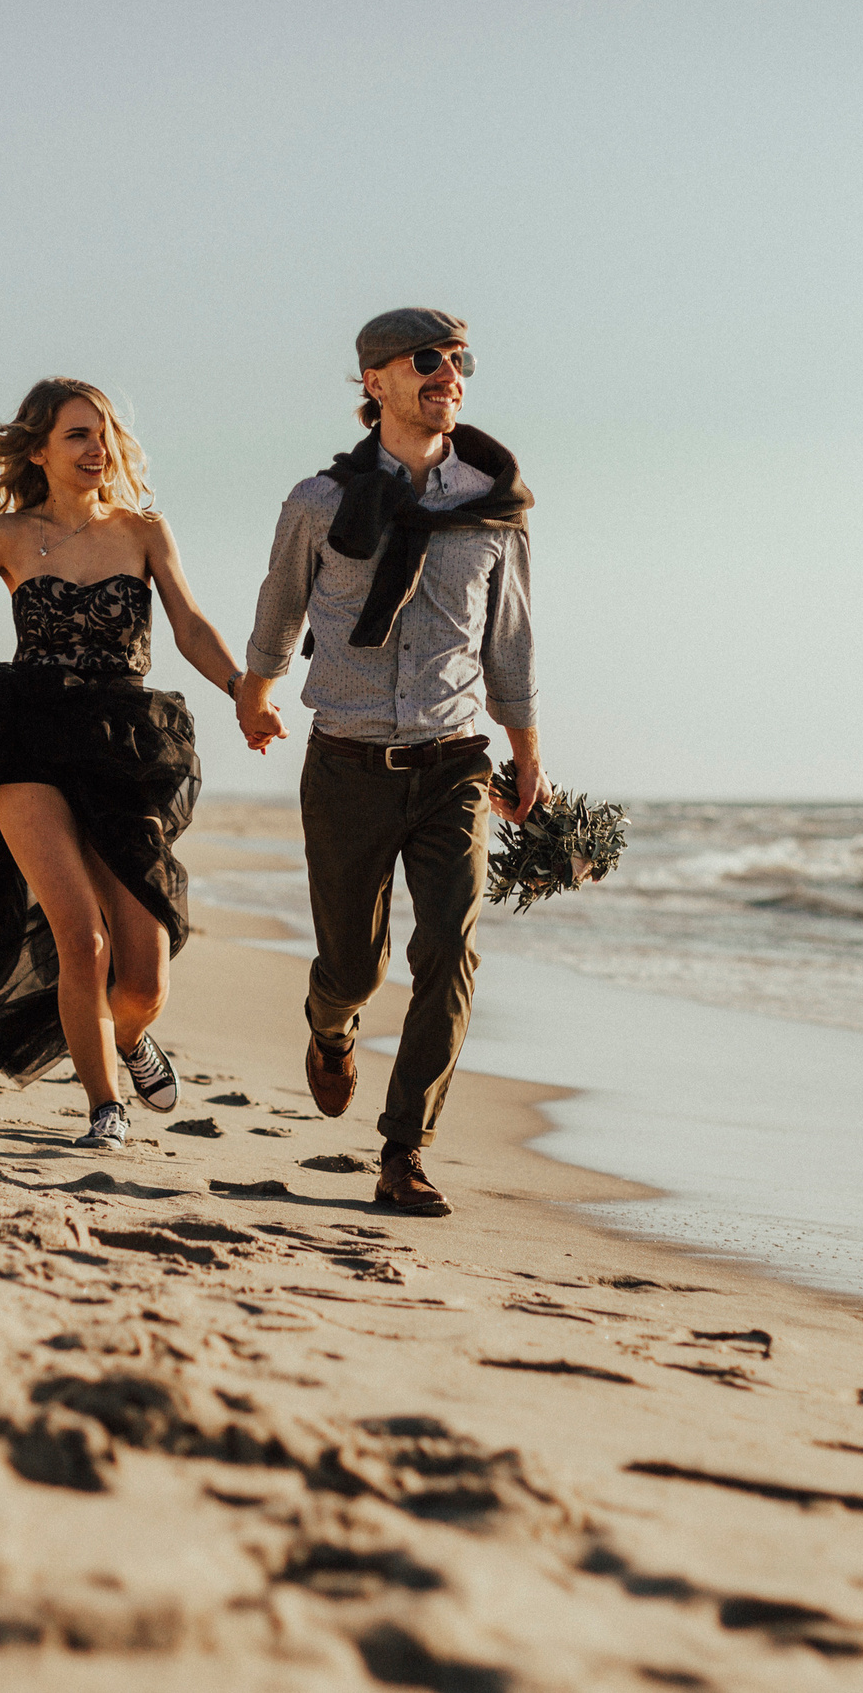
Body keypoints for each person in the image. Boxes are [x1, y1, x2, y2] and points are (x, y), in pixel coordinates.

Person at [235, 308, 544, 1217]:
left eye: (460, 361)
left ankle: (404, 1148)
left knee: (450, 952)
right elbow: (281, 602)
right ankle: (330, 1028)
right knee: (354, 968)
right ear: (375, 382)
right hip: (345, 760)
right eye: (426, 361)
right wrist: (258, 689)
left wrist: (528, 753)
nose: (449, 374)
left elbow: (511, 643)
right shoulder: (318, 503)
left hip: (455, 761)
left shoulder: (493, 505)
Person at [0, 377, 264, 1148]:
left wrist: (240, 686)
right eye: (76, 434)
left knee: (143, 972)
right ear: (38, 449)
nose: (95, 447)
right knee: (83, 938)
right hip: (23, 741)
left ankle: (129, 1039)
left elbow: (190, 624)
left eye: (102, 432)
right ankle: (106, 1107)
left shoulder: (143, 532)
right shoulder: (6, 536)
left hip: (118, 745)